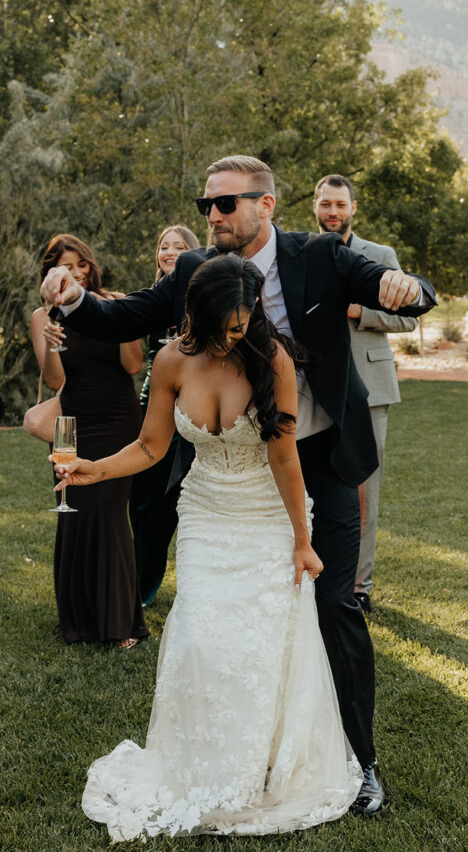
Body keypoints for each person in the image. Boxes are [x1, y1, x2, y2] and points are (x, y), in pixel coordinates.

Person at [40, 154, 436, 815]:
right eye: (206, 206)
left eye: (225, 204)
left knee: (333, 608)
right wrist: (74, 296)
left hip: (319, 457)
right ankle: (245, 754)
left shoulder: (323, 257)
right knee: (224, 624)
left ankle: (359, 762)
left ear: (266, 205)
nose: (213, 217)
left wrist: (404, 287)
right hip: (232, 466)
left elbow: (393, 284)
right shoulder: (197, 272)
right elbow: (128, 316)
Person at [53, 255, 362, 840]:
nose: (231, 337)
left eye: (242, 326)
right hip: (205, 516)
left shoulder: (273, 360)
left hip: (268, 518)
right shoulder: (172, 360)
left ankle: (255, 775)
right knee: (198, 639)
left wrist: (303, 541)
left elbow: (284, 458)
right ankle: (196, 766)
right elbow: (149, 447)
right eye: (222, 325)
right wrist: (96, 469)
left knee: (261, 649)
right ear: (196, 314)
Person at [31, 234, 147, 649]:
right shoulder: (43, 316)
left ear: (90, 265)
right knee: (76, 510)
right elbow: (58, 381)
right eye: (65, 266)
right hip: (73, 426)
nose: (75, 272)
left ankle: (119, 624)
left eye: (80, 264)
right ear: (50, 273)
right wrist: (50, 345)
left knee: (109, 512)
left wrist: (118, 321)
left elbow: (134, 364)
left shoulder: (113, 303)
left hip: (118, 419)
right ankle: (78, 620)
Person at [313, 174, 417, 613]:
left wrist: (361, 310)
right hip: (314, 389)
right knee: (311, 489)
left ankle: (359, 586)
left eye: (340, 204)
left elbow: (408, 318)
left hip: (370, 390)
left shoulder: (380, 256)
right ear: (315, 207)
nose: (332, 212)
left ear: (353, 207)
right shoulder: (303, 252)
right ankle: (314, 576)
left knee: (362, 493)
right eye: (325, 204)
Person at [128, 224, 200, 605]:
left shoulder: (201, 297)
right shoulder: (153, 301)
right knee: (142, 502)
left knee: (174, 502)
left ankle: (156, 584)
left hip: (192, 413)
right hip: (150, 410)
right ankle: (139, 584)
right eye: (164, 247)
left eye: (179, 247)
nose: (169, 252)